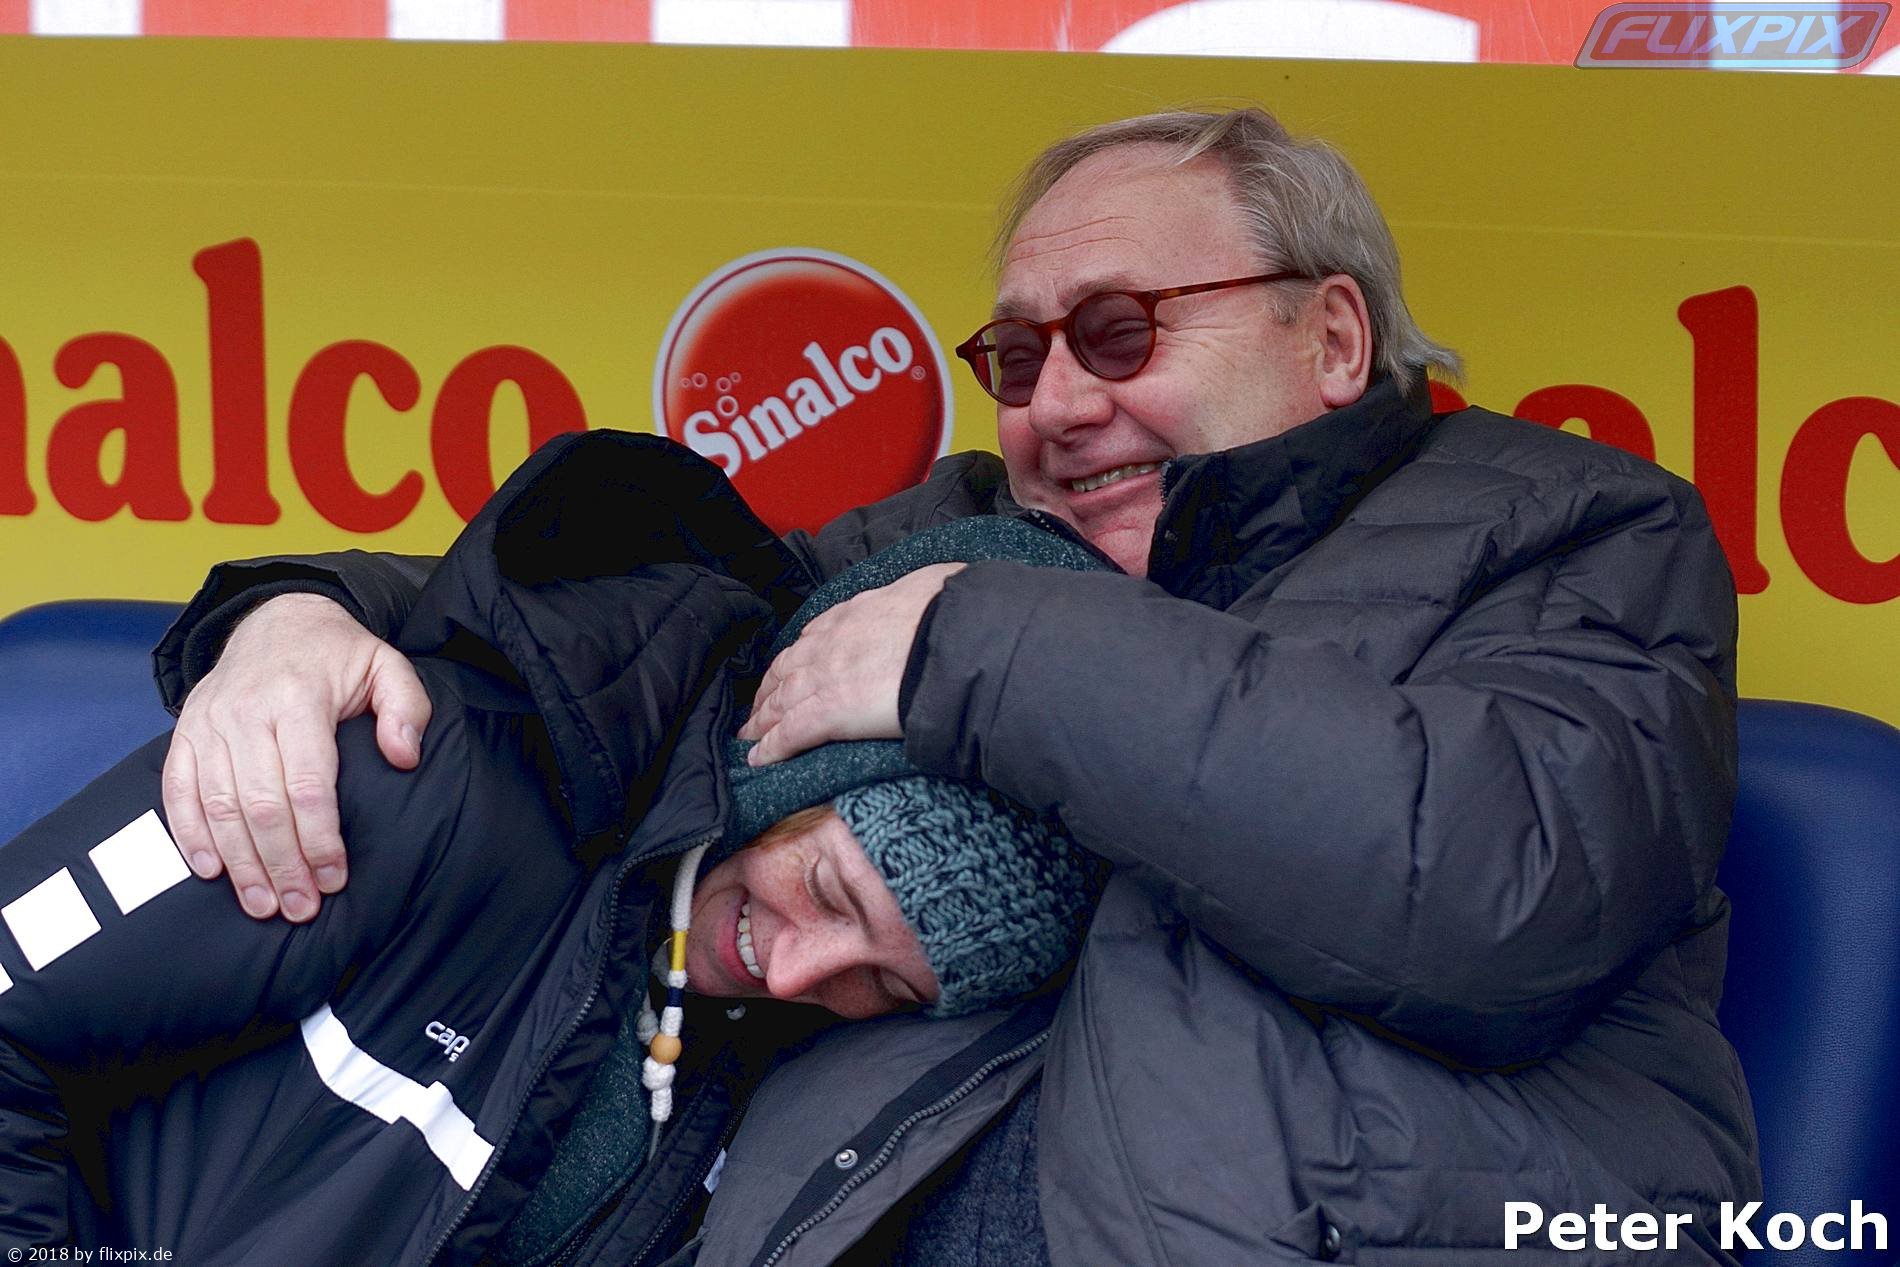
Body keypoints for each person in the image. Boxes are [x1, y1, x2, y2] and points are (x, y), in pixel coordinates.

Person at [150, 106, 1759, 1264]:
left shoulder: (1576, 526)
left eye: (1119, 333)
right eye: (1018, 357)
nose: (1054, 406)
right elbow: (622, 638)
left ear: (1334, 336)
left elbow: (1477, 879)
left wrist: (973, 646)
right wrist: (302, 618)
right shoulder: (969, 526)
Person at [0, 474, 1104, 1266]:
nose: (798, 970)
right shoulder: (428, 771)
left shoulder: (764, 1065)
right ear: (788, 776)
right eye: (827, 891)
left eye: (887, 983)